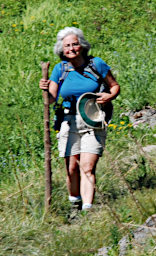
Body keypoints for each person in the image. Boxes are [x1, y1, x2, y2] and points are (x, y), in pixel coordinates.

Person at [39, 27, 120, 211]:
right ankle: (75, 202)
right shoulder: (60, 69)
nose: (71, 48)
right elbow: (50, 99)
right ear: (61, 49)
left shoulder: (96, 64)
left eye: (75, 44)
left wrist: (109, 96)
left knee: (87, 166)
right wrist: (45, 89)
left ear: (82, 46)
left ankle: (88, 208)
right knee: (71, 168)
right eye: (67, 46)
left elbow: (114, 86)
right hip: (68, 121)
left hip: (93, 120)